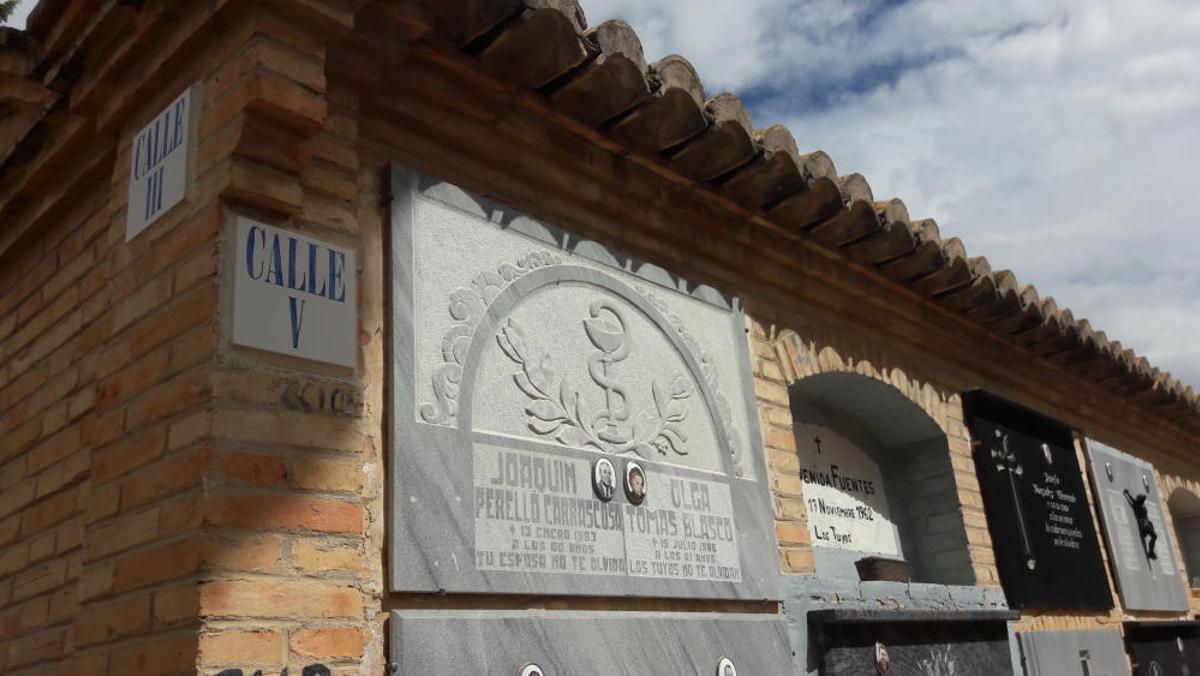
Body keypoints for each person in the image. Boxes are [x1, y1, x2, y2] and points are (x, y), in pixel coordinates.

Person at [1124, 489, 1159, 560]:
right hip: (1143, 523)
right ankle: (1151, 552)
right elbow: (1131, 500)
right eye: (1142, 500)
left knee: (1154, 536)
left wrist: (1127, 493)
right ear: (1140, 500)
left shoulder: (1141, 505)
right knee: (1154, 536)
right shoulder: (1137, 505)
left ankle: (1151, 552)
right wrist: (1127, 494)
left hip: (1147, 523)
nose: (1143, 502)